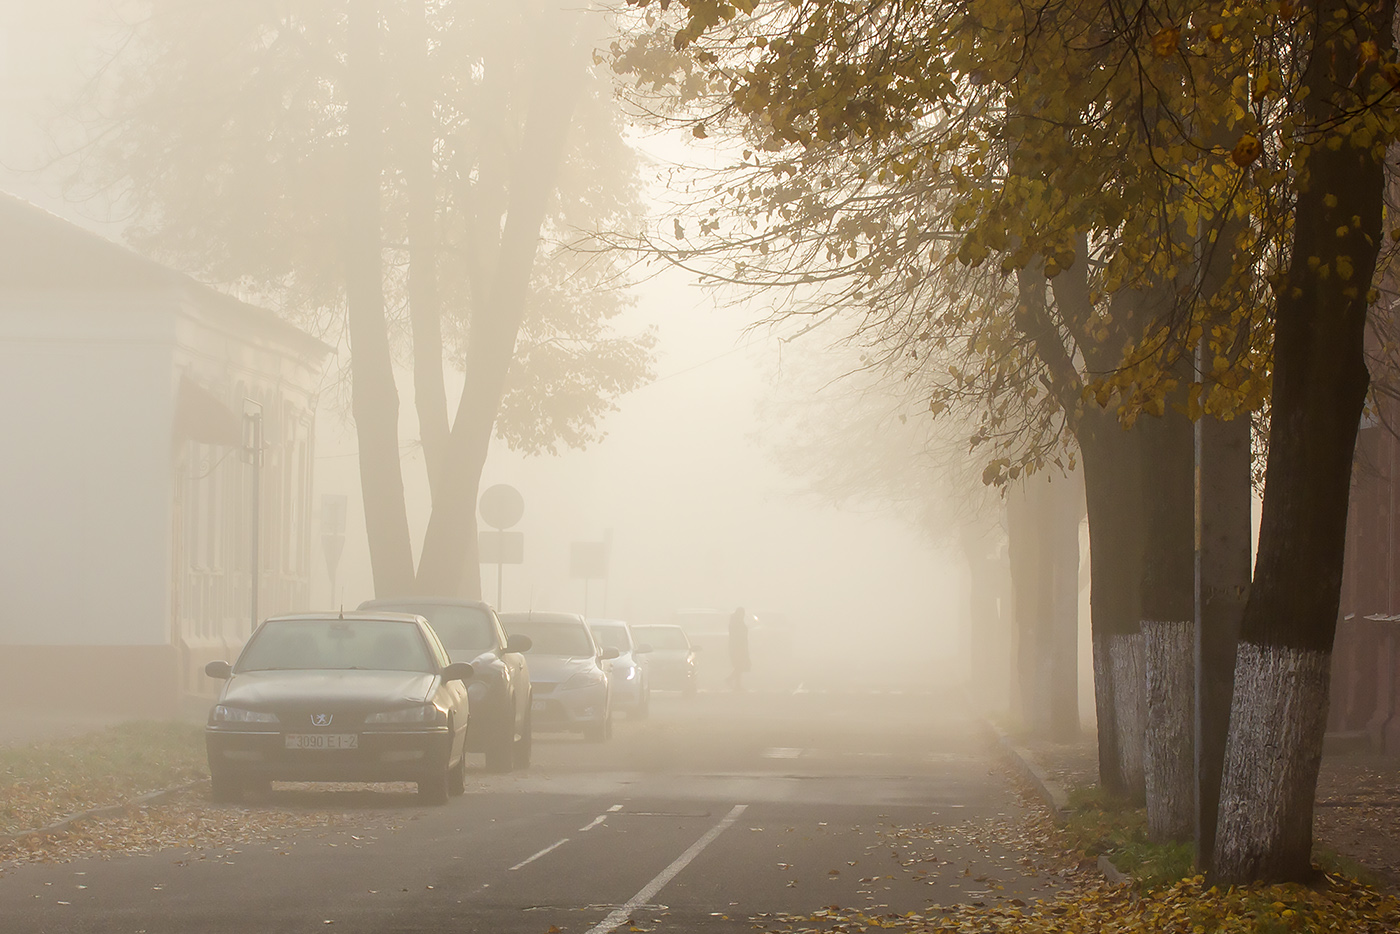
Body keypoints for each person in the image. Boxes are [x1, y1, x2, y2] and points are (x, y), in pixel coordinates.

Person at [727, 606, 750, 691]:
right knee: (739, 666)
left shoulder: (736, 622)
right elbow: (738, 636)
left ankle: (737, 685)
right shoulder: (736, 623)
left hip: (738, 646)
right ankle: (730, 680)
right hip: (737, 647)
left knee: (739, 666)